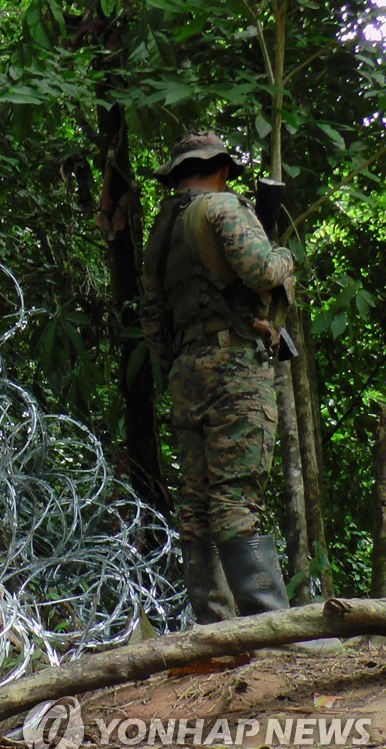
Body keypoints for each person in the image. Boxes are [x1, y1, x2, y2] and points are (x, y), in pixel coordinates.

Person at [141, 131, 334, 652]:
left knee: (198, 500)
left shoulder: (162, 229)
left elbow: (153, 319)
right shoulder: (223, 207)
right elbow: (260, 268)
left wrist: (178, 367)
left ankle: (216, 629)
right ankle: (271, 629)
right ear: (222, 168)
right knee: (236, 495)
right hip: (233, 368)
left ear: (179, 173)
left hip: (186, 370)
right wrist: (285, 257)